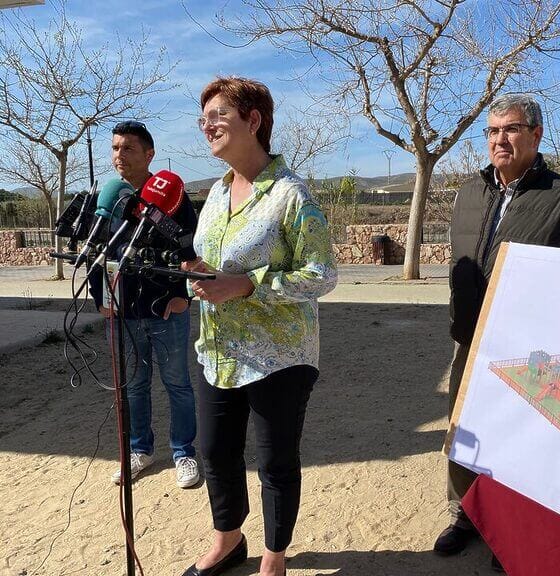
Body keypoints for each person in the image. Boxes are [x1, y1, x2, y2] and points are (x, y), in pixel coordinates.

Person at [436, 94, 560, 571]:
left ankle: (510, 531)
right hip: (470, 337)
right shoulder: (468, 192)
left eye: (510, 130)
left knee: (520, 440)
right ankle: (467, 514)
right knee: (464, 431)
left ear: (535, 135)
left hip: (531, 348)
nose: (498, 140)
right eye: (491, 131)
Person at [180, 77, 337, 576]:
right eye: (204, 118)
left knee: (274, 462)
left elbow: (322, 274)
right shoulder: (215, 194)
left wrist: (249, 284)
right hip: (218, 351)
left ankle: (274, 558)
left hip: (278, 356)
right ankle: (228, 541)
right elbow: (211, 264)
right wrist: (196, 279)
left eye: (219, 115)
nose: (208, 127)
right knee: (214, 451)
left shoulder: (292, 195)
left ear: (254, 120)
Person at [89, 121, 200, 489]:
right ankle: (140, 450)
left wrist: (181, 297)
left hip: (167, 310)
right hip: (122, 312)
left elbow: (191, 248)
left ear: (149, 154)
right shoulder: (106, 196)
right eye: (115, 148)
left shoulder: (173, 194)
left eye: (129, 148)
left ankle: (184, 452)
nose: (119, 155)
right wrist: (101, 298)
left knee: (177, 383)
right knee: (134, 386)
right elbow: (95, 253)